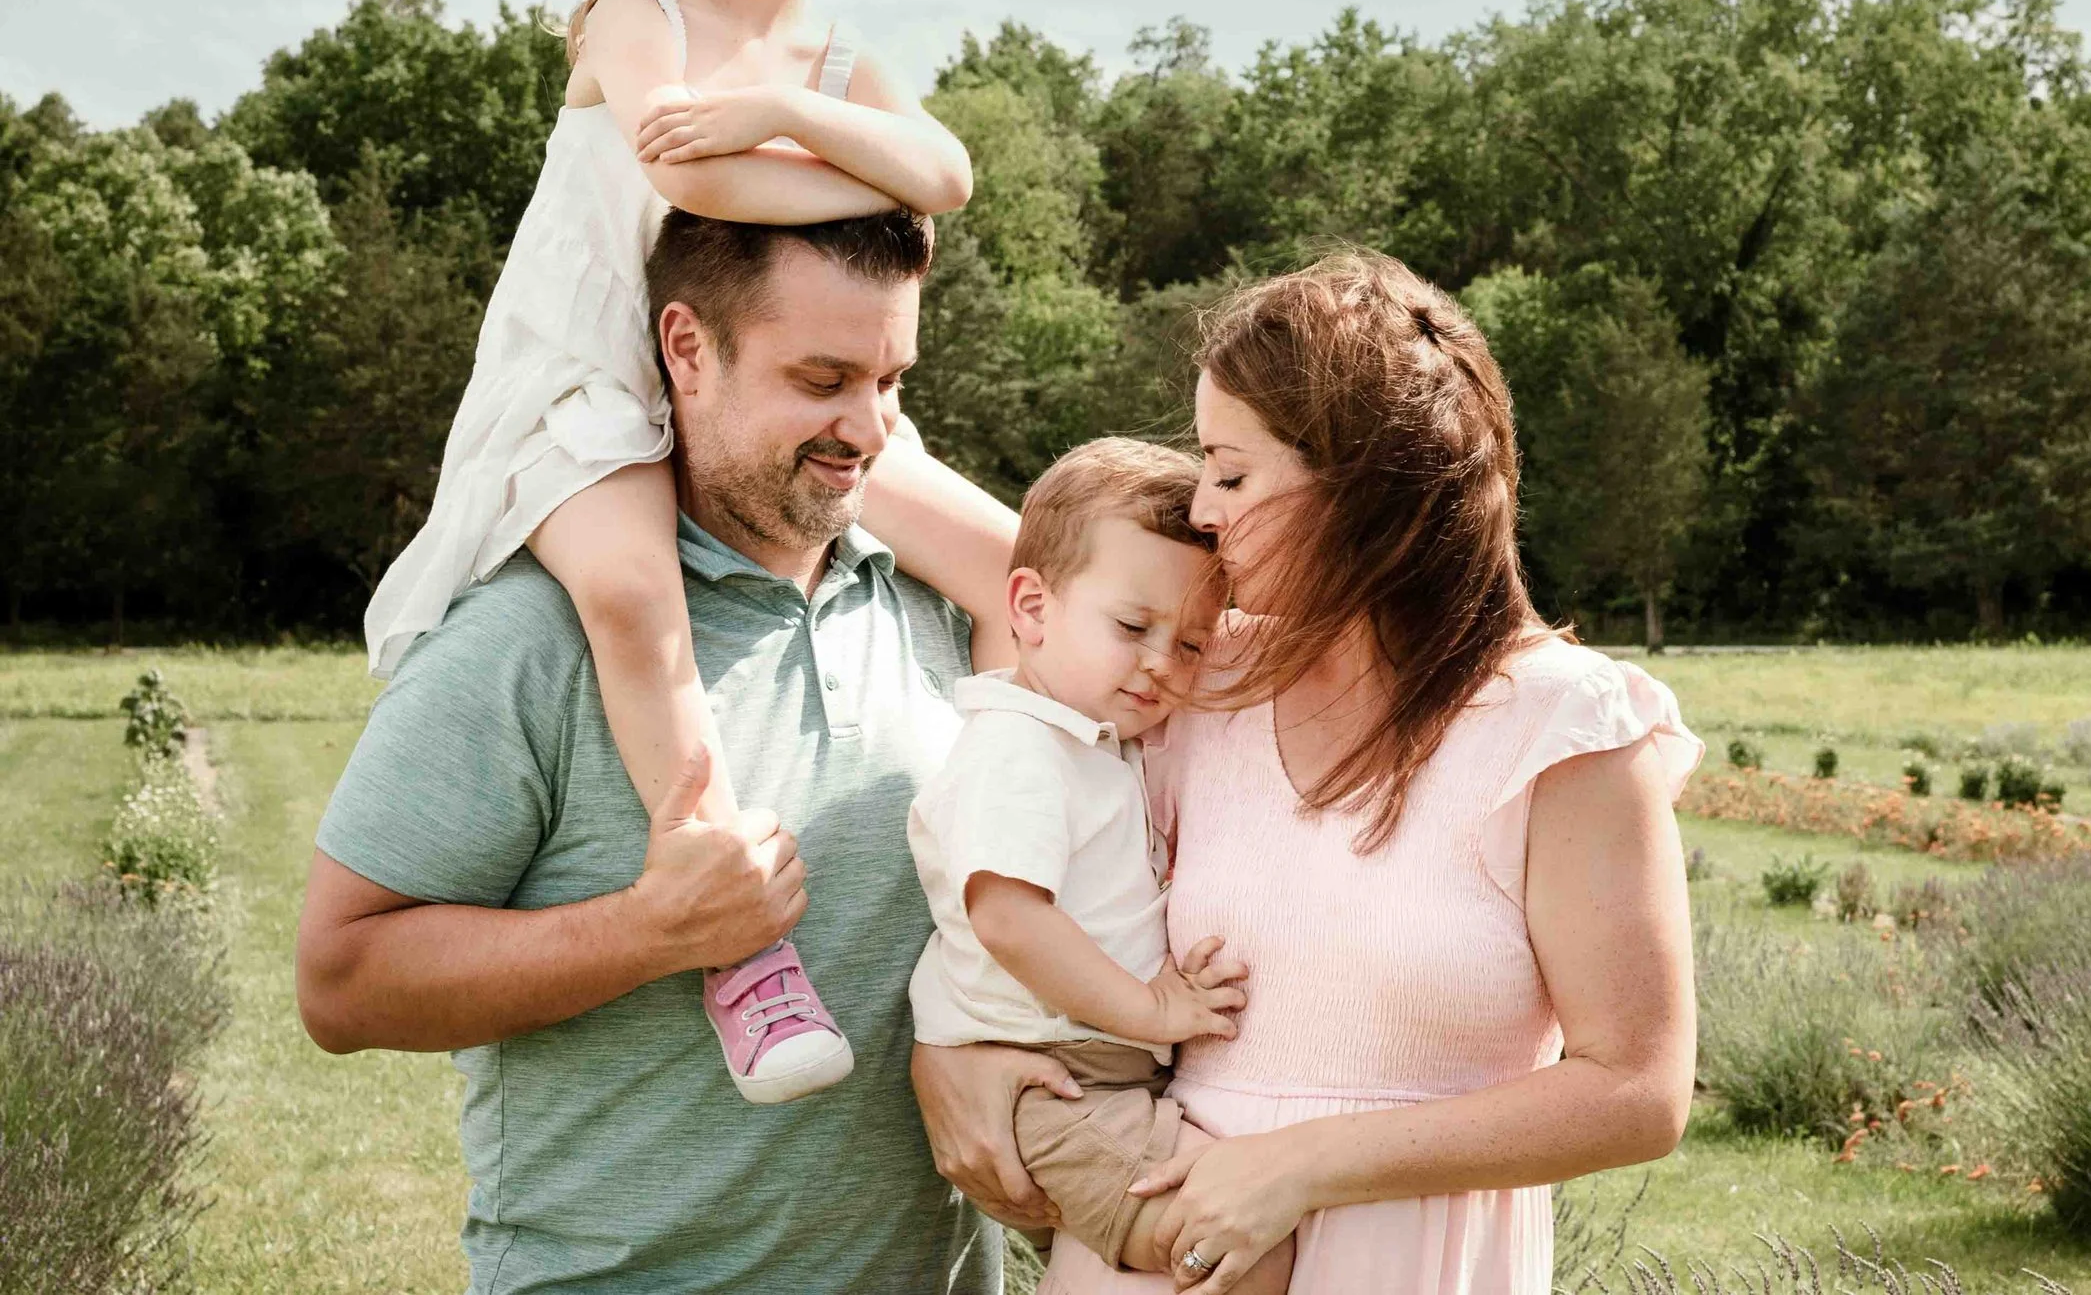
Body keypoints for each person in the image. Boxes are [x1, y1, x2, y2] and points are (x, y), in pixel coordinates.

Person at [360, 0, 974, 1105]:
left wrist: (782, 112)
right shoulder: (633, 10)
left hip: (773, 386)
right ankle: (732, 930)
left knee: (1008, 560)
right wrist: (840, 163)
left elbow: (942, 183)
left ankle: (1049, 880)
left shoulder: (832, 62)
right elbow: (682, 174)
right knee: (633, 602)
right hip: (597, 378)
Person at [894, 251, 1703, 1295]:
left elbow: (1637, 1091)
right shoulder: (1195, 673)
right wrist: (954, 1060)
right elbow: (989, 538)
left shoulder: (1566, 728)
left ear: (1366, 487)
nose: (1202, 510)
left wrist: (1301, 1168)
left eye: (1232, 473)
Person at [297, 207, 1026, 1292]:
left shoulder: (938, 604)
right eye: (821, 379)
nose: (867, 427)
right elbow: (341, 980)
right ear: (687, 348)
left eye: (891, 381)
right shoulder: (530, 638)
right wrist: (649, 931)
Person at [906, 440, 1293, 1294]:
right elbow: (1009, 918)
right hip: (1050, 1080)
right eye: (1132, 628)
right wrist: (1151, 1005)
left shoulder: (1093, 745)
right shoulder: (1018, 749)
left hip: (1096, 1077)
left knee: (1245, 1215)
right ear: (1032, 608)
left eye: (1191, 645)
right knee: (1239, 1245)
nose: (1162, 662)